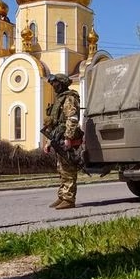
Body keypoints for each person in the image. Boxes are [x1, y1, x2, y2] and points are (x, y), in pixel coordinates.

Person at [43, 73, 84, 209]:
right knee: (61, 169)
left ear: (61, 83)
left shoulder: (69, 98)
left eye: (54, 83)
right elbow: (55, 124)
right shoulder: (59, 99)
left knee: (68, 169)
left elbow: (72, 119)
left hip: (66, 138)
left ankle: (69, 199)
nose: (53, 86)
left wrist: (68, 138)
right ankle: (62, 196)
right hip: (58, 137)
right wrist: (49, 142)